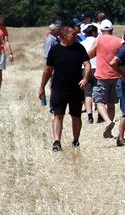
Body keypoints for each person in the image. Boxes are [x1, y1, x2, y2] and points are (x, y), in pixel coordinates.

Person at [39, 23, 91, 151]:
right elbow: (48, 70)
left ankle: (76, 140)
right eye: (73, 34)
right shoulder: (55, 50)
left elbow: (87, 64)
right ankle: (57, 141)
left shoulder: (79, 48)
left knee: (76, 115)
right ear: (64, 35)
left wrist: (85, 78)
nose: (75, 36)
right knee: (58, 115)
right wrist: (42, 87)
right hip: (59, 88)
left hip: (76, 88)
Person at [87, 19, 123, 139]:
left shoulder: (98, 40)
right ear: (112, 30)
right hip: (116, 75)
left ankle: (108, 122)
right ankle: (109, 130)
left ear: (101, 30)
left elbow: (89, 55)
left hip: (102, 76)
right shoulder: (119, 41)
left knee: (98, 101)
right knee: (111, 103)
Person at [78, 23, 99, 123]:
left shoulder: (82, 43)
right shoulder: (98, 42)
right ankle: (100, 115)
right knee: (98, 92)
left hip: (85, 69)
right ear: (94, 32)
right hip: (97, 68)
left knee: (88, 94)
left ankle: (90, 116)